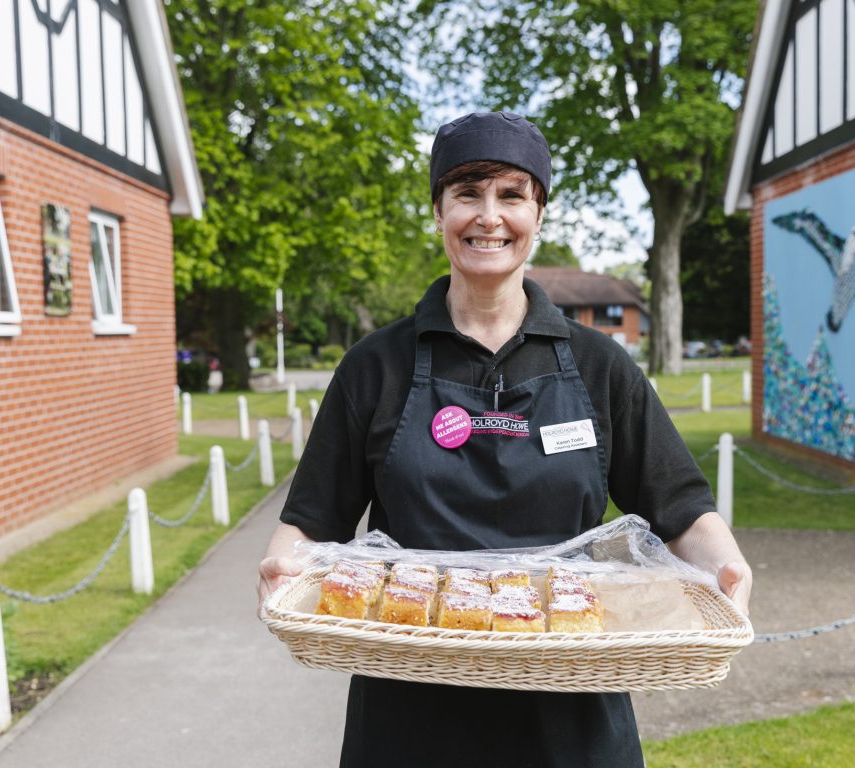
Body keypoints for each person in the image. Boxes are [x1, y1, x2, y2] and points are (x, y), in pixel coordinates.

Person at [257, 111, 752, 768]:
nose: (488, 216)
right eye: (467, 192)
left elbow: (681, 505)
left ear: (538, 213)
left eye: (511, 195)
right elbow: (310, 521)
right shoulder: (375, 367)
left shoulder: (600, 365)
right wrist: (283, 566)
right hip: (407, 718)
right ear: (438, 211)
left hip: (572, 716)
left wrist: (725, 565)